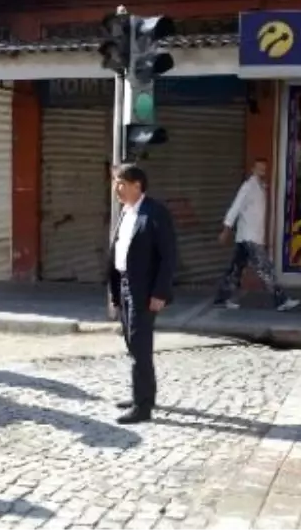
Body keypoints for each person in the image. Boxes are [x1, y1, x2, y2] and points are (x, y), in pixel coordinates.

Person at [107, 164, 178, 425]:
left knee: (140, 346)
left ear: (137, 185)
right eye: (115, 182)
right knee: (131, 342)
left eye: (121, 183)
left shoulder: (155, 213)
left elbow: (168, 256)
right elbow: (118, 251)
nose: (116, 188)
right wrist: (115, 292)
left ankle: (143, 406)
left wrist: (160, 292)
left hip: (145, 291)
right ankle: (143, 392)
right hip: (124, 287)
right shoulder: (126, 212)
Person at [214, 157, 300, 312]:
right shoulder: (249, 186)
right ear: (253, 169)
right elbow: (235, 207)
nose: (262, 171)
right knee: (265, 269)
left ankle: (222, 298)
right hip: (249, 237)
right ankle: (281, 300)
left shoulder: (261, 186)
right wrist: (226, 230)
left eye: (264, 168)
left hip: (248, 237)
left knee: (235, 270)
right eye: (259, 168)